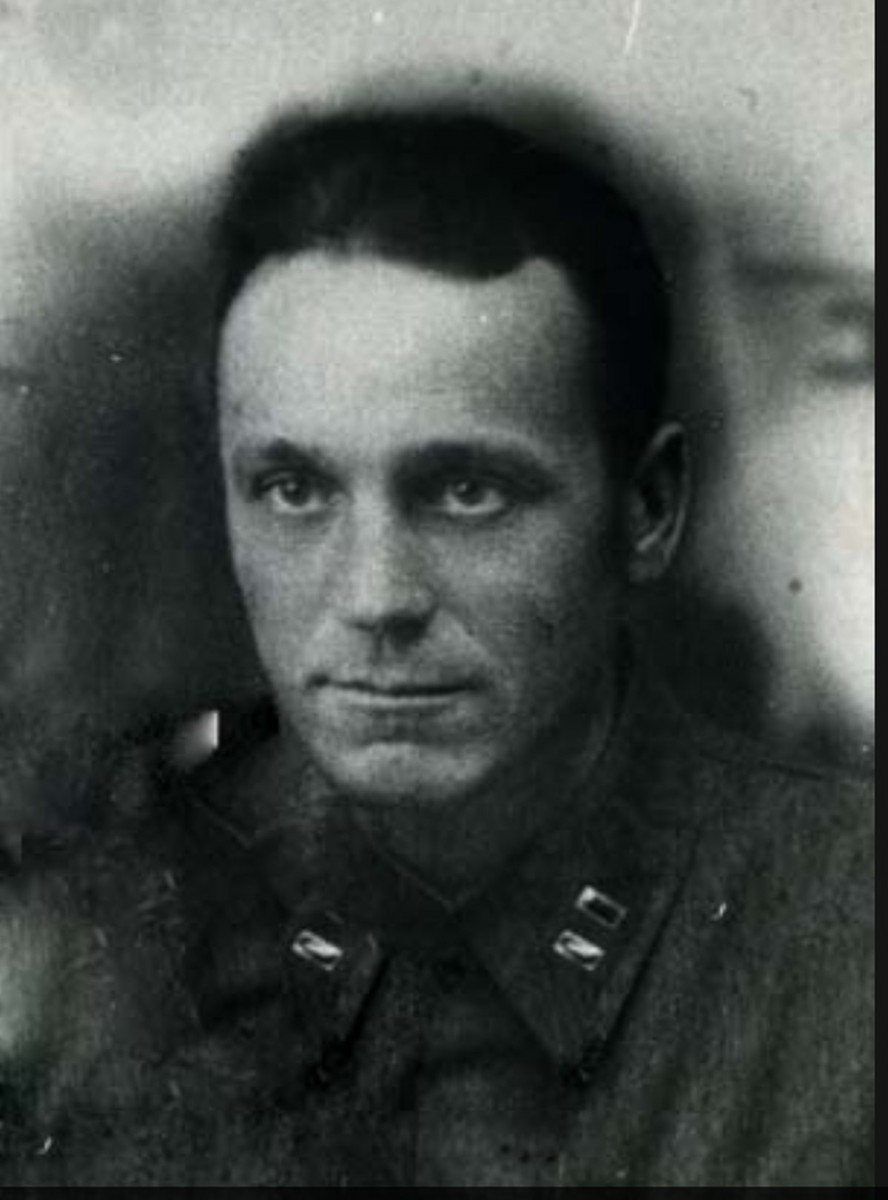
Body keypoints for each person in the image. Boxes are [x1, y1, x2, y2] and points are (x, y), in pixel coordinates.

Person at [1, 106, 874, 1186]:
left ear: (647, 509)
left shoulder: (848, 939)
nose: (376, 598)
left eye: (467, 491)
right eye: (294, 488)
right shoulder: (96, 940)